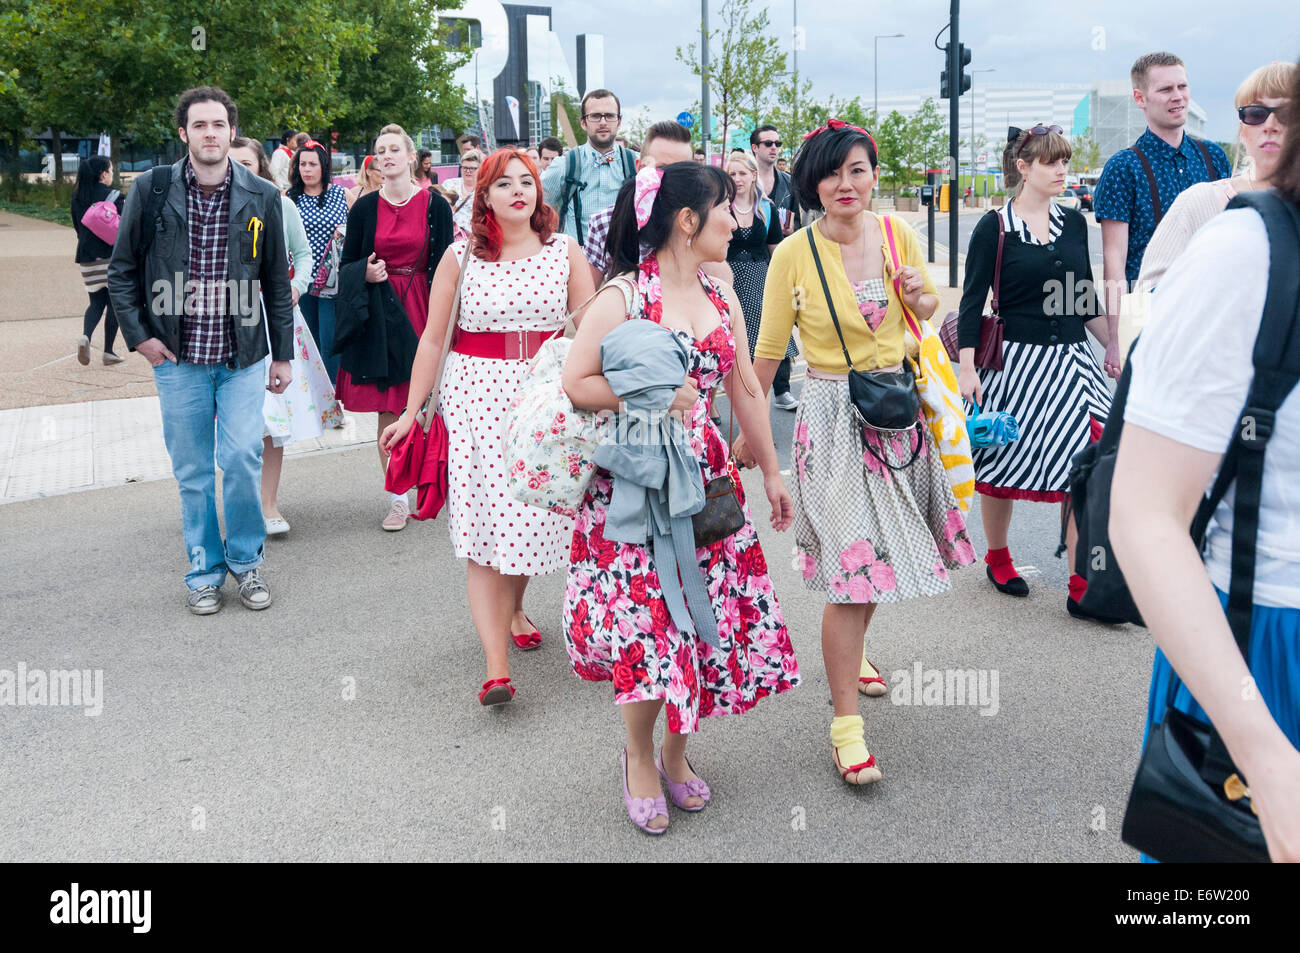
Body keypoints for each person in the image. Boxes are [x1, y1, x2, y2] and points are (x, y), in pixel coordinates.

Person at [562, 159, 799, 832]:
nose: (736, 218)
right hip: (634, 491)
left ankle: (676, 751)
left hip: (707, 485)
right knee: (646, 627)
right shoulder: (624, 298)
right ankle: (638, 757)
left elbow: (747, 389)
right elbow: (577, 382)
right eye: (725, 207)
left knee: (699, 623)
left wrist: (775, 474)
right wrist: (657, 396)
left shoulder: (721, 297)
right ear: (687, 220)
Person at [1110, 60, 1300, 863]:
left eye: (1278, 112)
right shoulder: (1221, 221)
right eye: (1254, 112)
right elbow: (1133, 279)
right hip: (1265, 622)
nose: (1266, 126)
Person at [748, 120, 975, 785]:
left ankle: (855, 653)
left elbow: (927, 310)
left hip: (898, 415)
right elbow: (767, 353)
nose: (845, 184)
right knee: (854, 570)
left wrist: (920, 296)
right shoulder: (793, 252)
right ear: (811, 181)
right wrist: (749, 431)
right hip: (831, 417)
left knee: (885, 554)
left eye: (857, 170)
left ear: (875, 174)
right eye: (831, 172)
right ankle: (847, 727)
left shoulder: (897, 234)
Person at [381, 148, 593, 700]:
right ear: (484, 197)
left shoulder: (565, 252)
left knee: (528, 518)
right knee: (486, 527)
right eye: (504, 185)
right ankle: (495, 667)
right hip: (476, 398)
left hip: (544, 398)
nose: (519, 192)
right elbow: (432, 338)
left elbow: (594, 329)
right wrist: (410, 412)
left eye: (528, 182)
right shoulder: (460, 256)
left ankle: (517, 607)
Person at [107, 86, 293, 614]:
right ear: (184, 132)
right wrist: (140, 336)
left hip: (241, 359)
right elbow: (121, 271)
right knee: (192, 472)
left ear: (232, 132)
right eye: (200, 125)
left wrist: (282, 355)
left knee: (239, 457)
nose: (210, 134)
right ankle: (204, 572)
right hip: (178, 359)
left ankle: (247, 563)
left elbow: (276, 282)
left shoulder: (261, 195)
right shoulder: (152, 188)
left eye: (219, 125)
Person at [956, 125, 1114, 619]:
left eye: (1065, 161)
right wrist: (966, 367)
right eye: (1052, 162)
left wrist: (1116, 347)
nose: (1063, 171)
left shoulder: (1073, 224)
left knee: (1083, 466)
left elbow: (1082, 295)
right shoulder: (994, 227)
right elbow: (971, 301)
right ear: (1023, 168)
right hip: (1014, 364)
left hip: (1072, 364)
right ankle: (998, 557)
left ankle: (1080, 580)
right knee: (1003, 465)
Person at [337, 124, 454, 531]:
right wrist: (363, 275)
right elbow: (347, 263)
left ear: (410, 157)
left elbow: (446, 266)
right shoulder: (364, 209)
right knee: (391, 409)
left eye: (394, 149)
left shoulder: (435, 206)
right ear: (376, 161)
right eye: (380, 150)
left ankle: (435, 482)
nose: (387, 156)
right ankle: (397, 498)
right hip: (382, 310)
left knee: (431, 403)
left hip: (426, 306)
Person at [229, 137, 343, 537]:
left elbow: (304, 252)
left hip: (274, 318)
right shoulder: (210, 206)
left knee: (271, 421)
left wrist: (299, 285)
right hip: (226, 321)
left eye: (247, 162)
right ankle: (236, 502)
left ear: (261, 166)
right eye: (233, 162)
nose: (240, 169)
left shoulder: (280, 204)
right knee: (234, 421)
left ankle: (268, 504)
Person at [1094, 51, 1232, 375]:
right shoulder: (1123, 168)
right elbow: (1114, 259)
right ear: (1140, 98)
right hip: (1151, 318)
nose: (1178, 96)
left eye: (1182, 86)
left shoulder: (1213, 157)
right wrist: (1115, 337)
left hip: (1213, 313)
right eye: (1166, 89)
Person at [1138, 62, 1292, 290]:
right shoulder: (1201, 202)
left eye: (1288, 114)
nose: (1270, 125)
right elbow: (1147, 300)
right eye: (1256, 114)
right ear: (1242, 129)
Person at [725, 152, 795, 409]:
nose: (737, 179)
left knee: (759, 339)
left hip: (758, 278)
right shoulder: (721, 206)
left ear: (754, 175)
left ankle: (765, 395)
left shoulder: (766, 209)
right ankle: (715, 400)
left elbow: (776, 249)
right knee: (725, 339)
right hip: (727, 278)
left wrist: (784, 285)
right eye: (732, 174)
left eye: (742, 173)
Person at [542, 88, 638, 244]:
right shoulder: (564, 165)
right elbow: (537, 210)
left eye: (609, 115)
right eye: (595, 116)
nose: (603, 122)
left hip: (626, 263)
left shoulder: (637, 163)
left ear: (619, 121)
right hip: (577, 263)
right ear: (583, 122)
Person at [289, 138, 350, 384]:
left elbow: (357, 230)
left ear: (323, 167)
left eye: (312, 164)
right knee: (307, 340)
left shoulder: (341, 194)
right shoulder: (290, 197)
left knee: (330, 339)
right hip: (300, 280)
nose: (306, 169)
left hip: (332, 281)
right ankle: (312, 394)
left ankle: (333, 393)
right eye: (302, 164)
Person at [71, 155, 125, 366]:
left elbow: (78, 228)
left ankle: (86, 336)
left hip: (86, 258)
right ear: (103, 174)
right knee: (114, 303)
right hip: (111, 257)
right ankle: (109, 352)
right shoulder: (114, 196)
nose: (112, 174)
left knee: (95, 302)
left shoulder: (78, 198)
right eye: (111, 170)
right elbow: (125, 228)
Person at [448, 148, 482, 241]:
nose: (468, 171)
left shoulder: (485, 190)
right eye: (465, 167)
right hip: (451, 236)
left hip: (474, 239)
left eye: (472, 168)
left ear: (480, 169)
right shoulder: (449, 184)